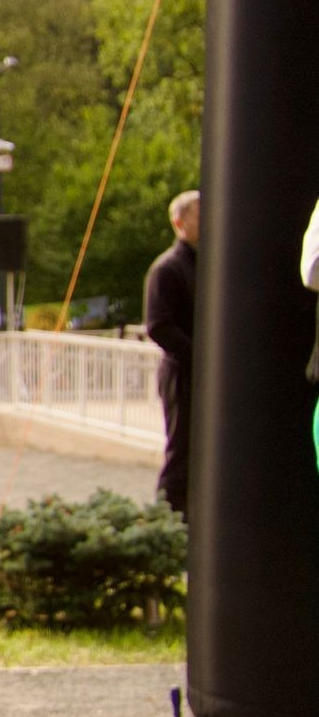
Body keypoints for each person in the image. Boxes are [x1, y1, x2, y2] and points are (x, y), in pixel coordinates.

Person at [144, 190, 198, 516]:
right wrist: (202, 357)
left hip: (201, 371)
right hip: (182, 373)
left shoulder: (208, 265)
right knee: (182, 451)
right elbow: (159, 326)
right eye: (200, 215)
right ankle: (166, 526)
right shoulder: (167, 268)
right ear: (180, 223)